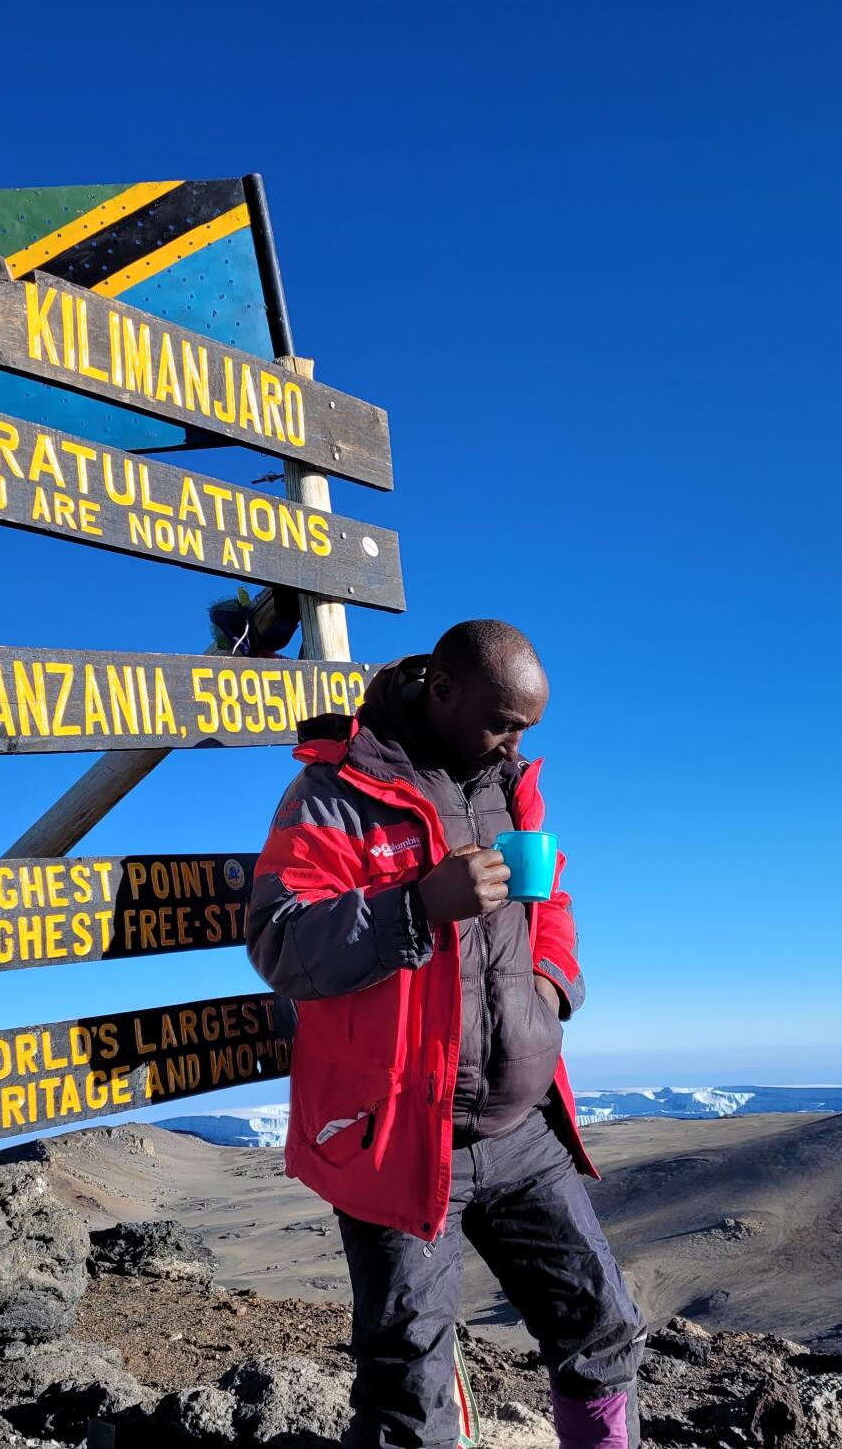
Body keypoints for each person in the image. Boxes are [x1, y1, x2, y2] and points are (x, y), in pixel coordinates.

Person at [247, 620, 644, 1449]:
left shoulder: (507, 784)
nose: (515, 742)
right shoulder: (336, 791)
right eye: (504, 721)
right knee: (408, 1396)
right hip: (397, 1133)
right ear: (443, 691)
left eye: (526, 727)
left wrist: (552, 990)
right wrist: (415, 907)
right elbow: (279, 939)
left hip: (521, 1126)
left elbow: (553, 905)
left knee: (602, 1332)